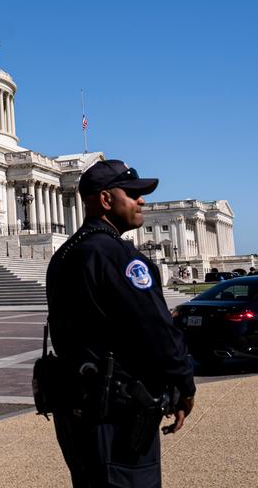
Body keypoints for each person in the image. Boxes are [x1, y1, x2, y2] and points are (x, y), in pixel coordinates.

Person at [45, 159, 195, 488]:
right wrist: (184, 384)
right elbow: (156, 330)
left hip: (74, 410)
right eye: (132, 193)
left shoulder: (64, 255)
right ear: (106, 199)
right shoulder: (117, 256)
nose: (141, 200)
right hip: (117, 414)